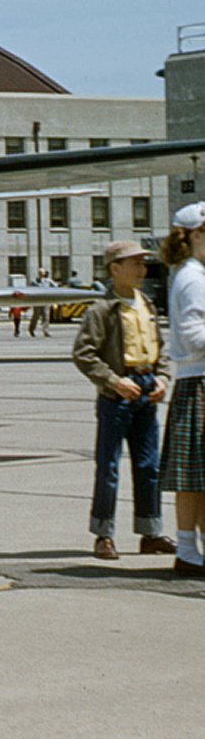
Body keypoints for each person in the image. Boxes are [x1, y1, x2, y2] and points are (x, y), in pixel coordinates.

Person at [72, 240, 173, 561]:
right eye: (135, 264)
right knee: (109, 465)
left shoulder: (147, 304)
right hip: (117, 393)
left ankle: (150, 531)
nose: (142, 269)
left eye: (144, 264)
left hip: (146, 387)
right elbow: (84, 354)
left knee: (148, 465)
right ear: (115, 269)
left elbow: (160, 347)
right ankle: (103, 534)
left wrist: (162, 376)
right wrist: (114, 381)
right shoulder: (102, 310)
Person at [159, 203, 205, 576]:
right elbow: (193, 337)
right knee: (193, 480)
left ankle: (192, 549)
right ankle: (188, 550)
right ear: (192, 236)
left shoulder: (191, 273)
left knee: (198, 478)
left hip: (196, 381)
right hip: (199, 380)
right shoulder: (193, 278)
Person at [29, 267, 55, 337]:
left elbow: (55, 287)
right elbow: (30, 291)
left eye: (43, 272)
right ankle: (32, 329)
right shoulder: (34, 282)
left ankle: (46, 331)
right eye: (40, 272)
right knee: (36, 316)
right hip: (37, 301)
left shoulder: (48, 281)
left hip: (46, 300)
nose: (42, 273)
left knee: (46, 316)